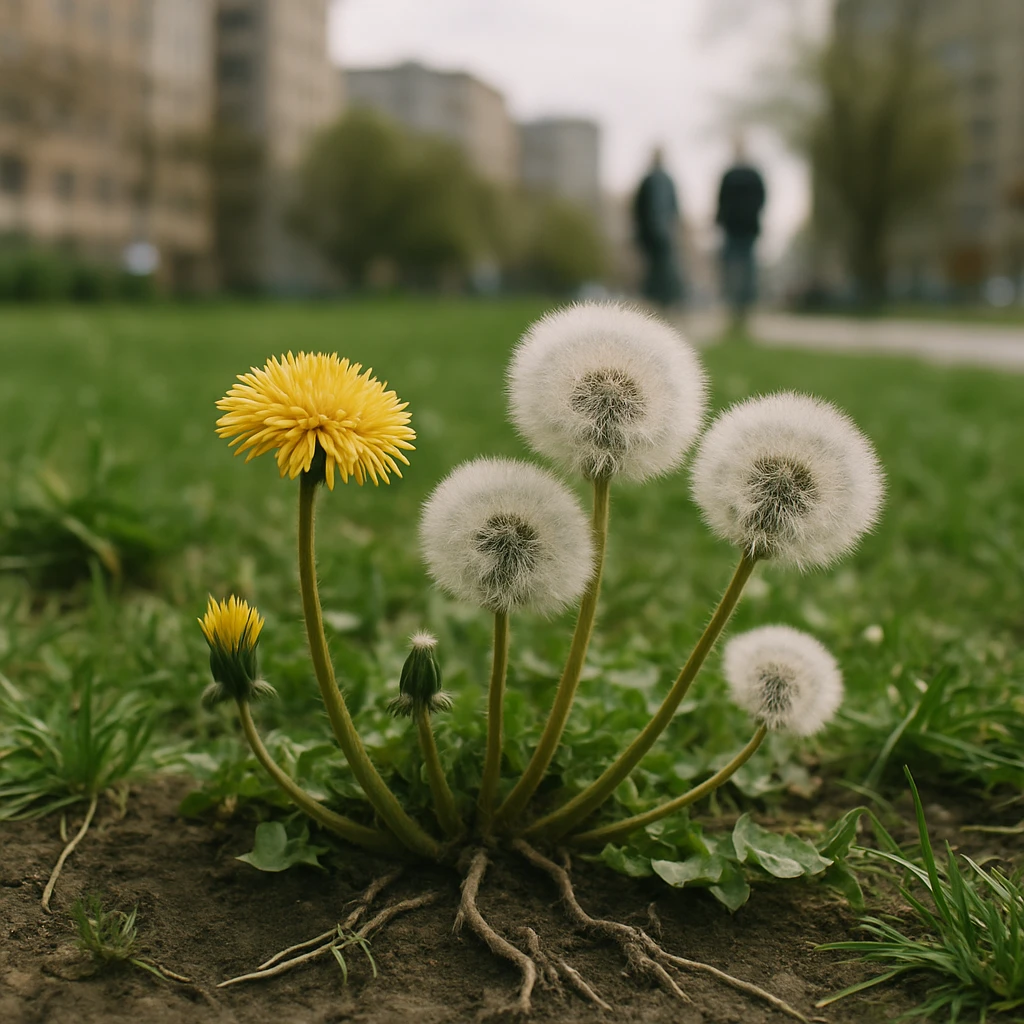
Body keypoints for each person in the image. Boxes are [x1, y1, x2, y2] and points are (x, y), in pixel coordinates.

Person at [716, 136, 766, 332]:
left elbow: (721, 201)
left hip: (740, 229)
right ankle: (738, 309)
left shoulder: (737, 175)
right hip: (740, 229)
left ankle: (741, 309)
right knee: (740, 272)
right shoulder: (746, 175)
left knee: (740, 272)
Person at [632, 147, 684, 309]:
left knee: (662, 268)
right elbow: (639, 209)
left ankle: (663, 301)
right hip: (653, 233)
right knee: (655, 267)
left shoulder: (662, 181)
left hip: (661, 233)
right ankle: (657, 301)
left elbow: (673, 207)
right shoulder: (650, 181)